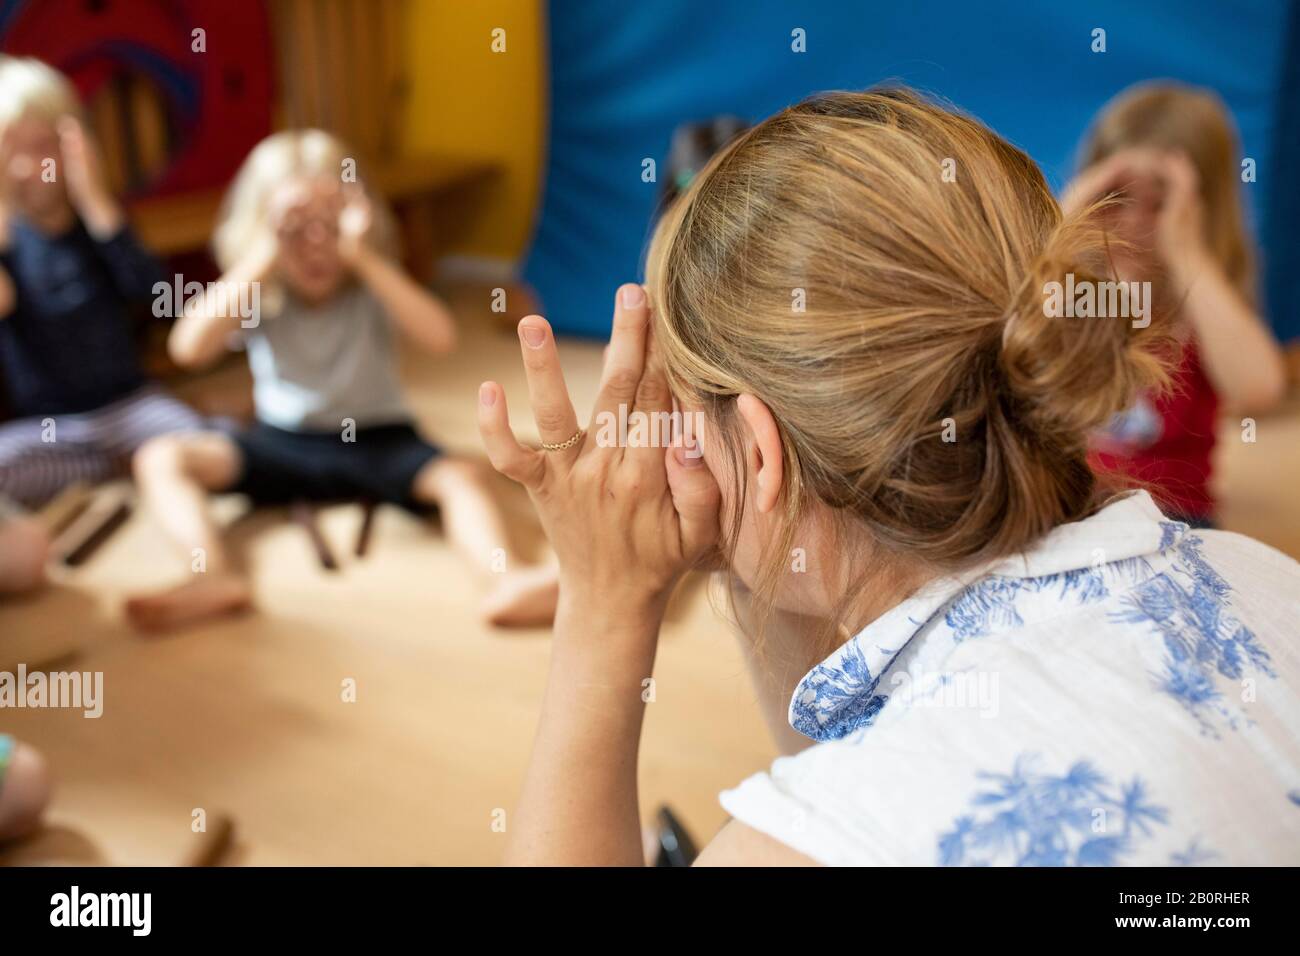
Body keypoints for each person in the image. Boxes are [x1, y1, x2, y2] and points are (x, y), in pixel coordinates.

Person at [477, 88, 1300, 866]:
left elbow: (872, 793)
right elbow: (862, 745)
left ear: (759, 454)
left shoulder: (804, 845)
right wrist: (750, 529)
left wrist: (602, 606)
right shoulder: (1264, 575)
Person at [127, 130, 557, 631]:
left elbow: (440, 337)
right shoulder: (261, 286)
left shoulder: (369, 278)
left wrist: (364, 257)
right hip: (282, 442)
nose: (315, 245)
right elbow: (187, 348)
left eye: (330, 225)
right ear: (261, 229)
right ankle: (211, 576)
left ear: (359, 222)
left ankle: (505, 581)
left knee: (462, 477)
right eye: (293, 227)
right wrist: (264, 256)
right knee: (160, 456)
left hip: (380, 438)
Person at [1062, 81, 1287, 528]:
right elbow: (1004, 344)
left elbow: (1259, 388)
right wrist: (1064, 233)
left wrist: (1186, 254)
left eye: (1159, 205)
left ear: (1199, 210)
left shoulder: (1203, 296)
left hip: (1175, 514)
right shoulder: (1079, 283)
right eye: (1117, 198)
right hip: (1066, 499)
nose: (1133, 222)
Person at [0, 55, 202, 509]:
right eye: (16, 149)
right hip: (52, 430)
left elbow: (160, 301)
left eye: (46, 144)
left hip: (133, 409)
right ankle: (108, 467)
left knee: (208, 447)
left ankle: (126, 462)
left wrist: (97, 204)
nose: (34, 165)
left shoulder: (102, 224)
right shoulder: (8, 240)